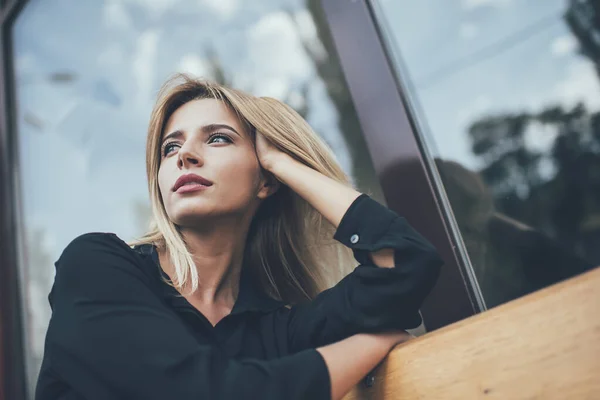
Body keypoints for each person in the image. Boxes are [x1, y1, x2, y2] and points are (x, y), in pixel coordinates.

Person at [35, 74, 443, 400]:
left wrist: (283, 162)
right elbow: (203, 393)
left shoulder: (274, 328)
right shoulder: (95, 266)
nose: (184, 156)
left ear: (266, 181)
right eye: (169, 147)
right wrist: (375, 343)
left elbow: (405, 264)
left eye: (217, 138)